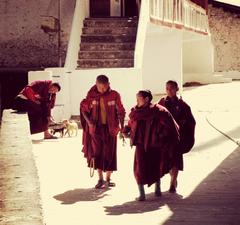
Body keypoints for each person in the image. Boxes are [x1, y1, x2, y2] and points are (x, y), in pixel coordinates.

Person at [122, 90, 179, 201]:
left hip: (154, 144)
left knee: (156, 166)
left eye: (139, 98)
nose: (137, 101)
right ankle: (141, 194)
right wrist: (126, 130)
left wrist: (160, 136)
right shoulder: (136, 112)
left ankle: (157, 189)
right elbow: (131, 123)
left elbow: (169, 125)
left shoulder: (158, 111)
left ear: (147, 99)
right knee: (139, 168)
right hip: (140, 144)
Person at [80, 75, 126, 189]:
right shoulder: (91, 95)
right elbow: (84, 109)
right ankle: (100, 179)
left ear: (108, 84)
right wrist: (89, 122)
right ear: (96, 84)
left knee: (110, 153)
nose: (103, 90)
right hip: (96, 129)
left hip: (111, 128)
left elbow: (121, 111)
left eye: (105, 87)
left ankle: (108, 179)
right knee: (97, 153)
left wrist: (122, 127)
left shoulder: (114, 95)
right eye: (101, 88)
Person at [159, 80, 196, 193]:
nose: (169, 91)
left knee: (175, 160)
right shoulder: (162, 103)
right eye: (167, 88)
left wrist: (183, 126)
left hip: (177, 139)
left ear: (177, 89)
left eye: (171, 88)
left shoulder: (183, 105)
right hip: (165, 138)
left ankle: (173, 182)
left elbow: (191, 121)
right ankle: (172, 178)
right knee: (166, 161)